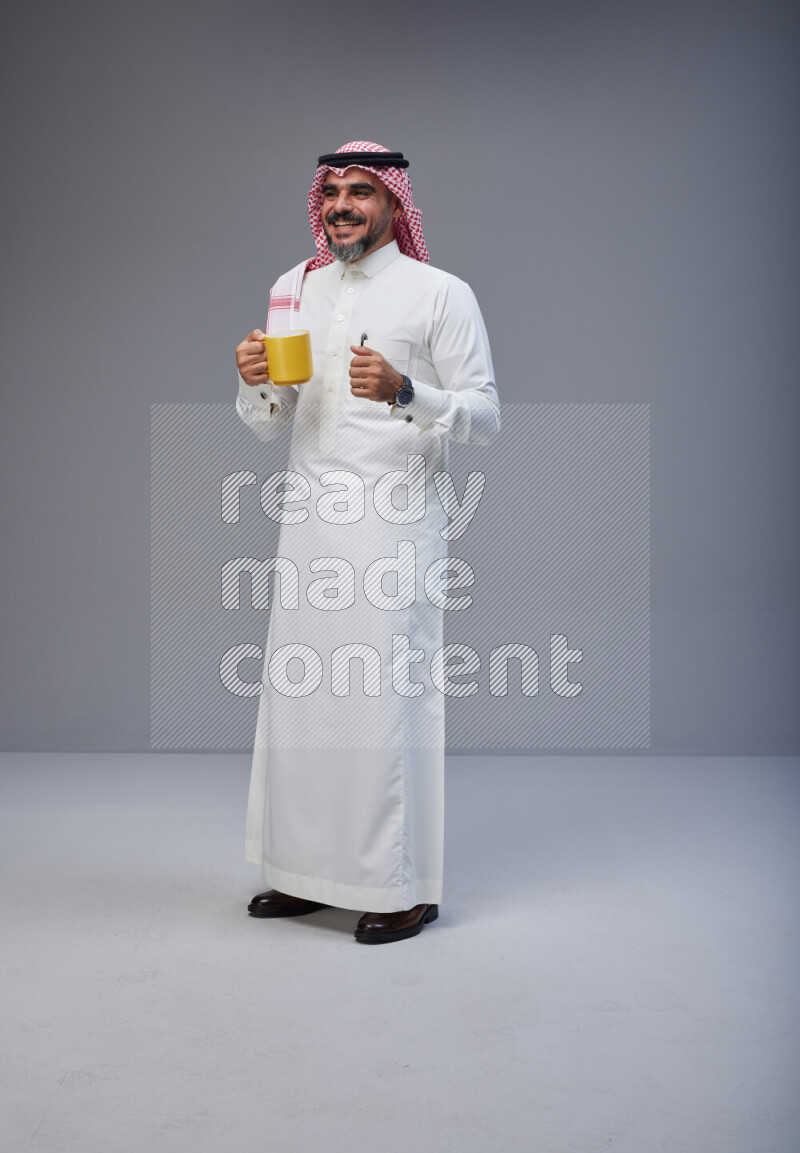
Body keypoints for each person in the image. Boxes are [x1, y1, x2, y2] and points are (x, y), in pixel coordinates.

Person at [234, 141, 500, 944]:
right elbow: (272, 421)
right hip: (308, 524)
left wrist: (406, 391)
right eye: (333, 192)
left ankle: (401, 886)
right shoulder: (295, 287)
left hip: (394, 531)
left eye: (361, 191)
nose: (343, 205)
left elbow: (486, 416)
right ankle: (301, 872)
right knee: (304, 700)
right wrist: (253, 381)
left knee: (385, 702)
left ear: (393, 203)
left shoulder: (438, 293)